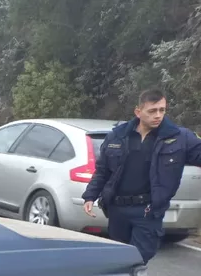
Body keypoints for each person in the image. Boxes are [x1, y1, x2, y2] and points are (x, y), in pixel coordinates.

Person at [82, 89, 201, 263]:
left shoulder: (179, 137)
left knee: (138, 259)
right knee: (118, 259)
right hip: (117, 209)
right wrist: (90, 196)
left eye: (162, 110)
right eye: (152, 111)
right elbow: (103, 170)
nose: (158, 115)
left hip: (147, 210)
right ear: (138, 112)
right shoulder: (118, 136)